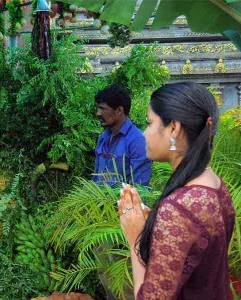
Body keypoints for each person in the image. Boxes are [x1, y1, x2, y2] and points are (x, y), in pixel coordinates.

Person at [118, 82, 235, 299]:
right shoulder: (214, 184)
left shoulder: (179, 207)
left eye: (149, 123)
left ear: (173, 127)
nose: (143, 134)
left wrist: (135, 235)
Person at [93, 83, 151, 186]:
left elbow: (140, 188)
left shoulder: (138, 141)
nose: (98, 113)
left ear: (119, 110)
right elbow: (96, 178)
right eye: (98, 108)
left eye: (103, 109)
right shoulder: (102, 139)